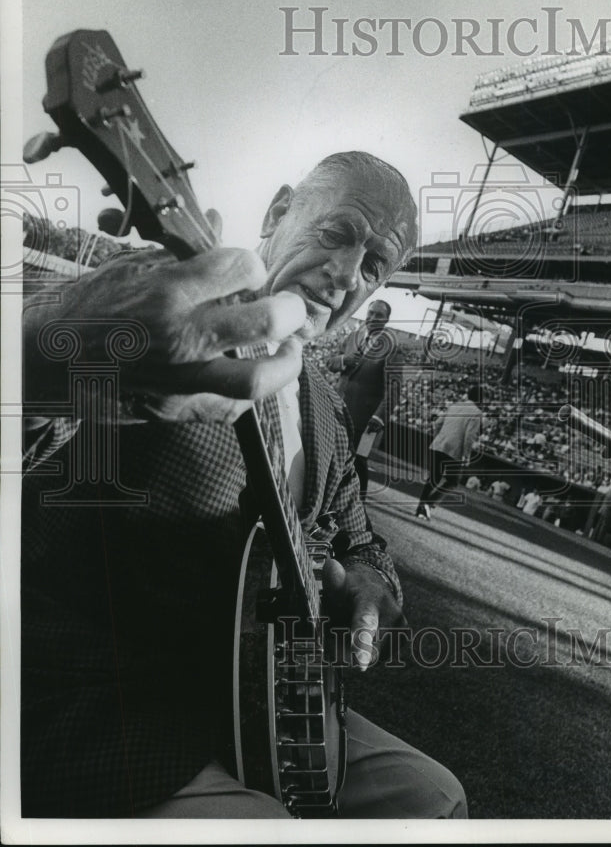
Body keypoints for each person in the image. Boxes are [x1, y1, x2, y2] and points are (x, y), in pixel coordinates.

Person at [21, 151, 466, 819]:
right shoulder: (159, 316)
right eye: (336, 233)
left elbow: (362, 539)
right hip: (98, 704)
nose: (346, 273)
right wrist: (53, 348)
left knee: (436, 799)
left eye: (374, 264)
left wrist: (372, 587)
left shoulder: (325, 407)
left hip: (270, 707)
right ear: (278, 212)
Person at [327, 298, 402, 499]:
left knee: (357, 462)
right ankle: (330, 498)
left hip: (365, 418)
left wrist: (379, 417)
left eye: (379, 315)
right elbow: (330, 362)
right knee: (331, 455)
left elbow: (394, 387)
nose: (373, 318)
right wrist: (344, 360)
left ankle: (358, 506)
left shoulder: (391, 346)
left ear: (387, 319)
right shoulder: (353, 336)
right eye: (371, 313)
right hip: (338, 407)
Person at [414, 384, 483, 520]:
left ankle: (421, 506)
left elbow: (438, 423)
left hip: (440, 443)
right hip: (454, 450)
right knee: (452, 481)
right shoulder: (477, 413)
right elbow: (469, 436)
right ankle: (428, 503)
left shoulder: (455, 405)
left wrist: (439, 437)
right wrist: (467, 455)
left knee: (433, 478)